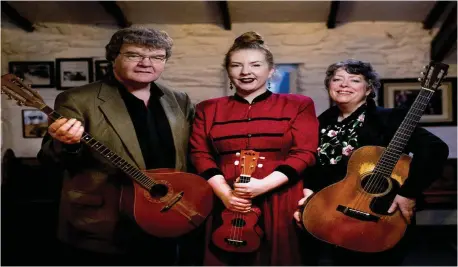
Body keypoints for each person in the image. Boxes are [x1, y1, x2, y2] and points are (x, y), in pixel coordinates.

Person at [37, 26, 197, 266]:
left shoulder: (179, 100)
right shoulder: (77, 100)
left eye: (157, 57)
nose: (146, 63)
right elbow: (50, 160)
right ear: (113, 57)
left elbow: (192, 154)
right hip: (105, 227)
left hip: (166, 218)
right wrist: (68, 144)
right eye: (134, 55)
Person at [293, 59, 449, 265]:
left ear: (368, 89)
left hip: (380, 215)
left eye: (354, 80)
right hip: (330, 216)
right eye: (337, 79)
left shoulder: (388, 119)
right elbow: (310, 163)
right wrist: (308, 197)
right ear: (329, 86)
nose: (344, 84)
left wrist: (408, 192)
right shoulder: (319, 123)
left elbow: (435, 149)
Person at [189, 31, 319, 266]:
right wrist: (226, 196)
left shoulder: (298, 105)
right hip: (225, 197)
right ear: (228, 71)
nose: (245, 72)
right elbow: (200, 154)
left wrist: (261, 187)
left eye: (255, 65)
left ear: (270, 70)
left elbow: (304, 153)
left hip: (280, 196)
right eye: (236, 65)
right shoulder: (207, 109)